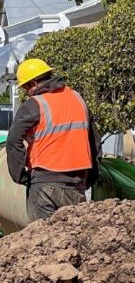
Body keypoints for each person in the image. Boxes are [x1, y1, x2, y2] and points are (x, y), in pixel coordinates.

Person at [6, 58, 100, 222]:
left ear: (34, 83)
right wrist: (90, 176)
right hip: (77, 183)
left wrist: (20, 175)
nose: (27, 93)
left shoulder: (34, 104)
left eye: (26, 88)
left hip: (44, 183)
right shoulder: (78, 99)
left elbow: (13, 141)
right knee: (74, 239)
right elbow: (94, 142)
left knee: (42, 240)